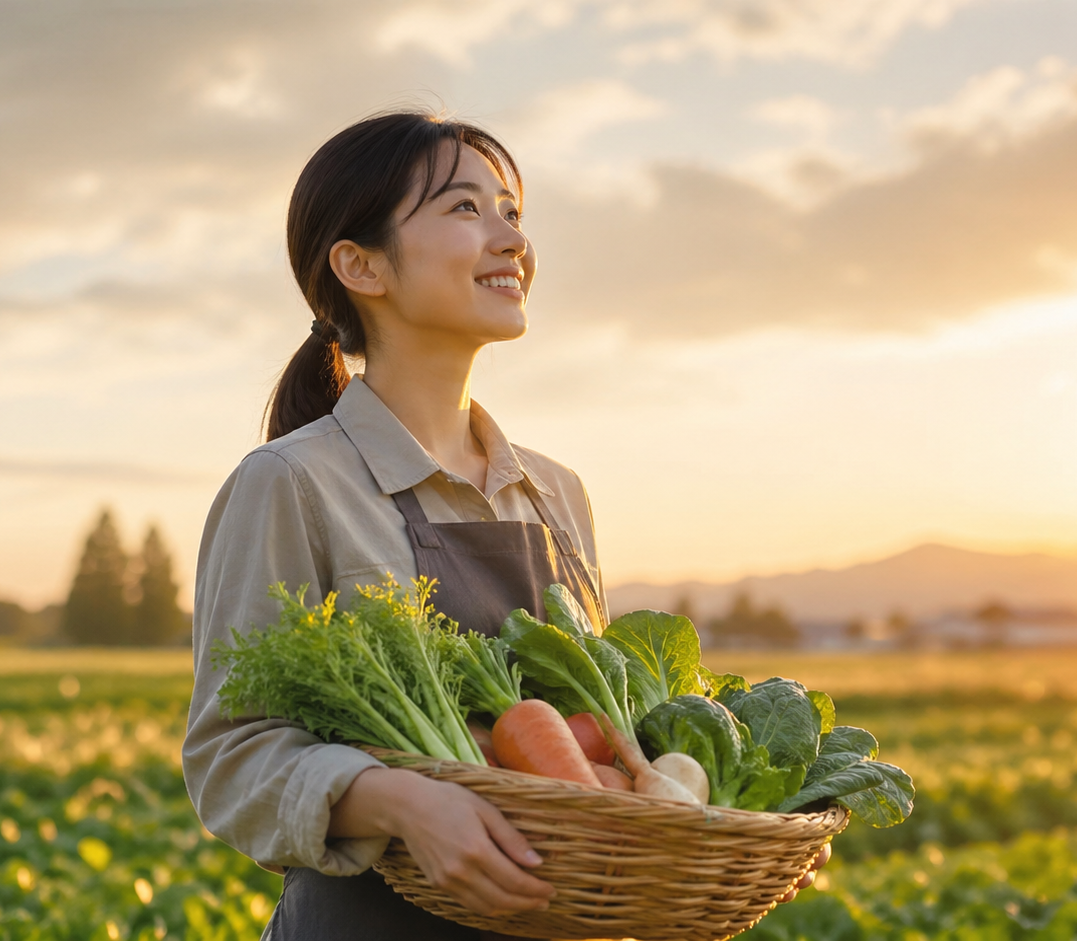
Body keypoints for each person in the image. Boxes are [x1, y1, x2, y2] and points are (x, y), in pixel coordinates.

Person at [182, 111, 826, 940]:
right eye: (464, 209)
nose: (510, 239)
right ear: (361, 265)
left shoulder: (556, 494)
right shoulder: (293, 483)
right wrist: (405, 801)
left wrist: (735, 819)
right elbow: (230, 760)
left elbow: (604, 752)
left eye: (513, 212)